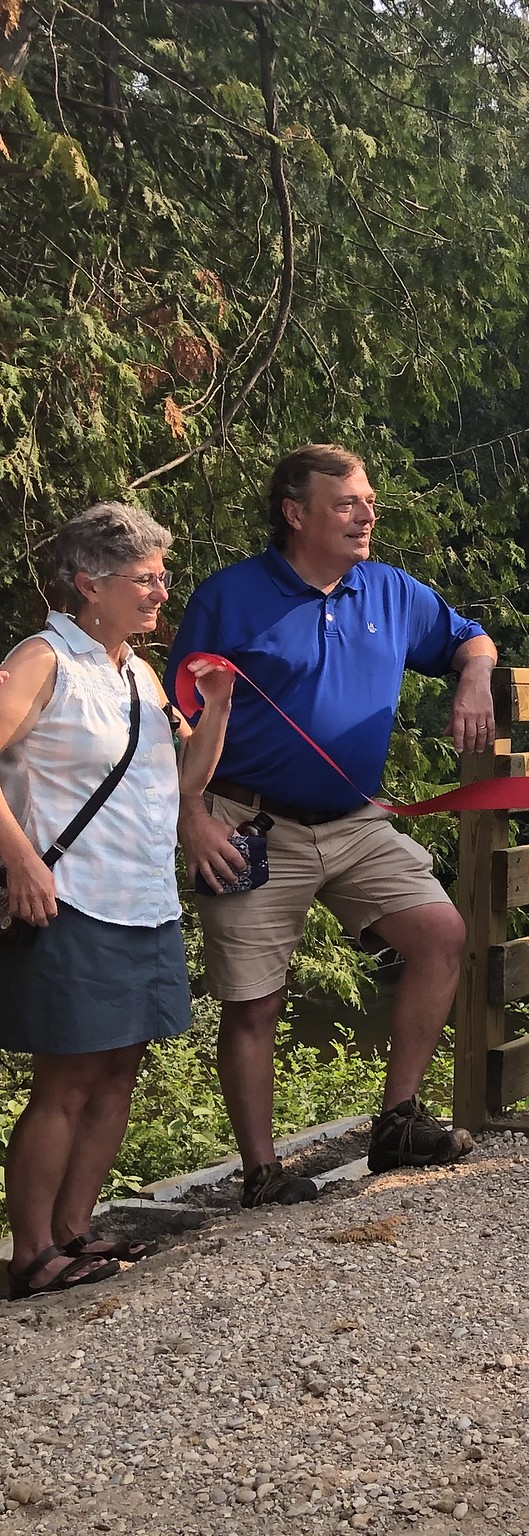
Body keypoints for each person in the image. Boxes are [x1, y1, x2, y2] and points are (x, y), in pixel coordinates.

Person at [171, 444, 497, 1206]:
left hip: (355, 822)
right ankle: (262, 1174)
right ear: (296, 514)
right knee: (254, 1001)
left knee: (440, 934)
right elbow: (174, 722)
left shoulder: (389, 591)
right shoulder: (229, 598)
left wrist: (473, 678)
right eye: (348, 503)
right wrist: (190, 817)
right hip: (249, 823)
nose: (367, 514)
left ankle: (396, 1122)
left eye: (369, 502)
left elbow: (468, 637)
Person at [1, 505, 234, 1297]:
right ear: (88, 584)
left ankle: (74, 1229)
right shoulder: (44, 659)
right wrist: (22, 861)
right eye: (144, 579)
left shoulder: (133, 670)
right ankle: (32, 1253)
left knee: (118, 1072)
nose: (161, 592)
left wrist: (218, 706)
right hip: (70, 900)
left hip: (142, 899)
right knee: (64, 1082)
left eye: (163, 576)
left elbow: (184, 783)